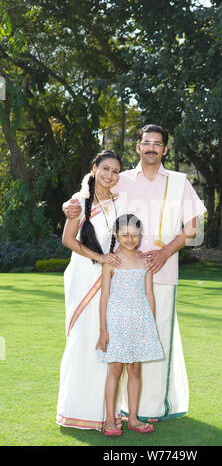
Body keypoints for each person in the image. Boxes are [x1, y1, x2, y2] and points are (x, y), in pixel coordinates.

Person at [63, 124, 207, 422]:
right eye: (146, 142)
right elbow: (91, 193)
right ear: (138, 147)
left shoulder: (180, 181)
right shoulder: (121, 179)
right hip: (118, 277)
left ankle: (148, 411)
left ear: (165, 149)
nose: (152, 147)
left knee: (152, 343)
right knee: (114, 342)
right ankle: (117, 410)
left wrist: (165, 252)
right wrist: (69, 204)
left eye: (158, 143)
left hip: (161, 273)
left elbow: (193, 227)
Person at [56, 150, 124, 431]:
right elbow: (67, 239)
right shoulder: (78, 201)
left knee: (103, 336)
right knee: (83, 336)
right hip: (84, 276)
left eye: (115, 171)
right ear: (94, 168)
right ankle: (76, 410)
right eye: (105, 169)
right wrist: (98, 258)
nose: (110, 175)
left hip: (110, 277)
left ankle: (105, 411)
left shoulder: (119, 201)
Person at [95, 214, 164, 436]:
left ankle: (133, 418)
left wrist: (150, 328)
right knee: (114, 370)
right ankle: (109, 420)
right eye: (124, 234)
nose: (130, 239)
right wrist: (103, 330)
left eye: (134, 234)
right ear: (116, 235)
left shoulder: (144, 261)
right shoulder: (111, 262)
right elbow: (104, 298)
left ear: (140, 235)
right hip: (116, 323)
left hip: (139, 322)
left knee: (135, 370)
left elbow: (149, 295)